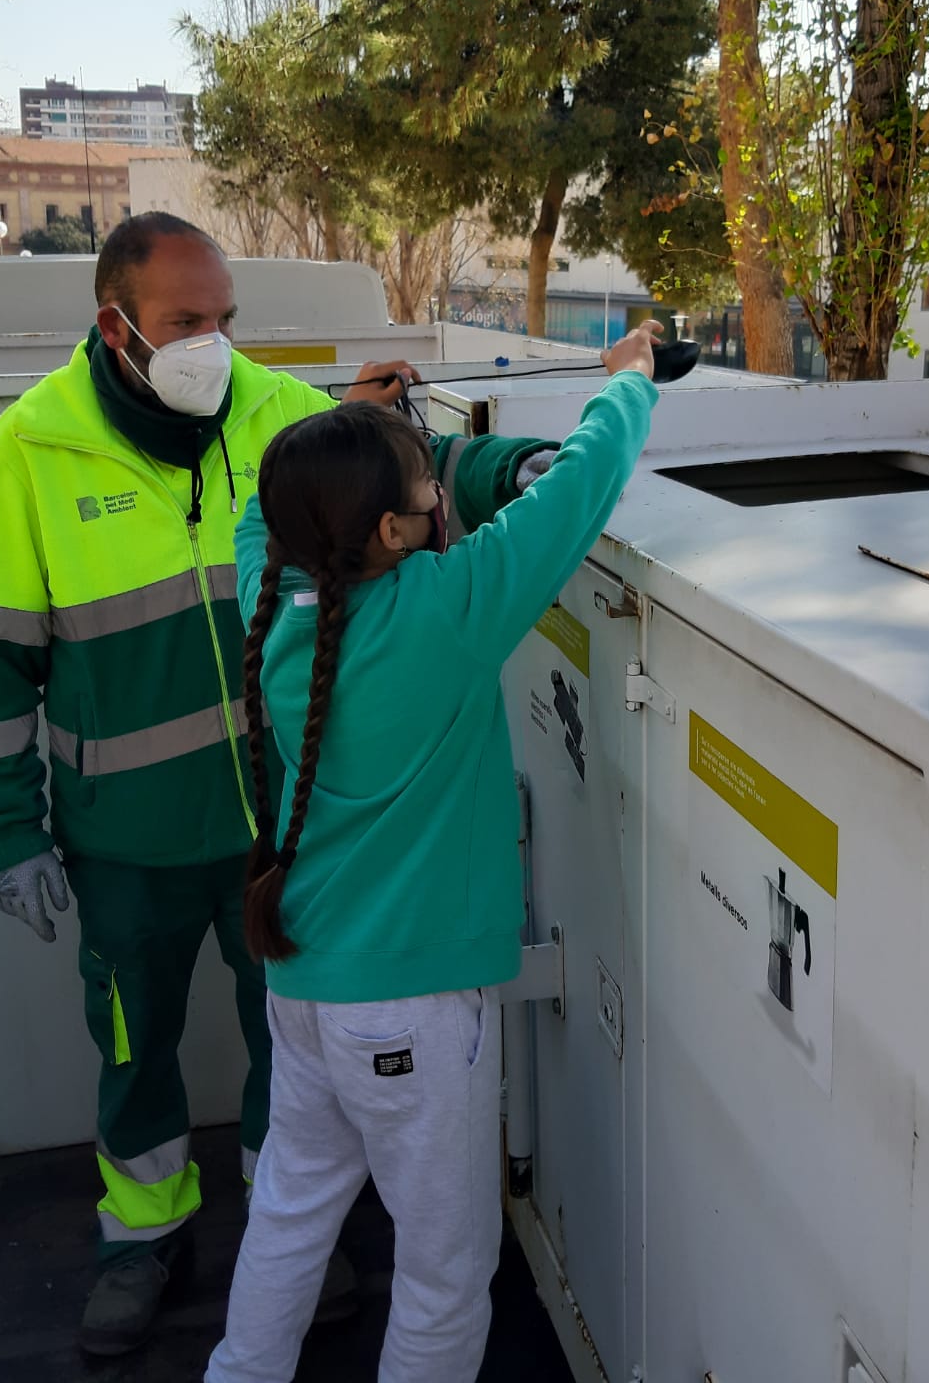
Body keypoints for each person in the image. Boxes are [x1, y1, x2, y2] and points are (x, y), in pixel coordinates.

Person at [0, 213, 558, 1356]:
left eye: (223, 319)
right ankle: (141, 1240)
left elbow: (399, 469)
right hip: (122, 839)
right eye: (184, 322)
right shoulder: (31, 446)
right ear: (115, 326)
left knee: (291, 1055)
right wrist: (6, 831)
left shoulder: (273, 411)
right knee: (134, 1049)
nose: (211, 346)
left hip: (276, 835)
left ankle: (296, 1244)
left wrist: (508, 464)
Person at [205, 322, 661, 1383]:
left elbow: (257, 512)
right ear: (392, 532)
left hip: (302, 988)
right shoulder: (445, 612)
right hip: (410, 1012)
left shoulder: (273, 601)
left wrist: (345, 421)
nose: (440, 504)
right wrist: (629, 383)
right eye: (427, 493)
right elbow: (576, 494)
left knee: (289, 1209)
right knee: (445, 1268)